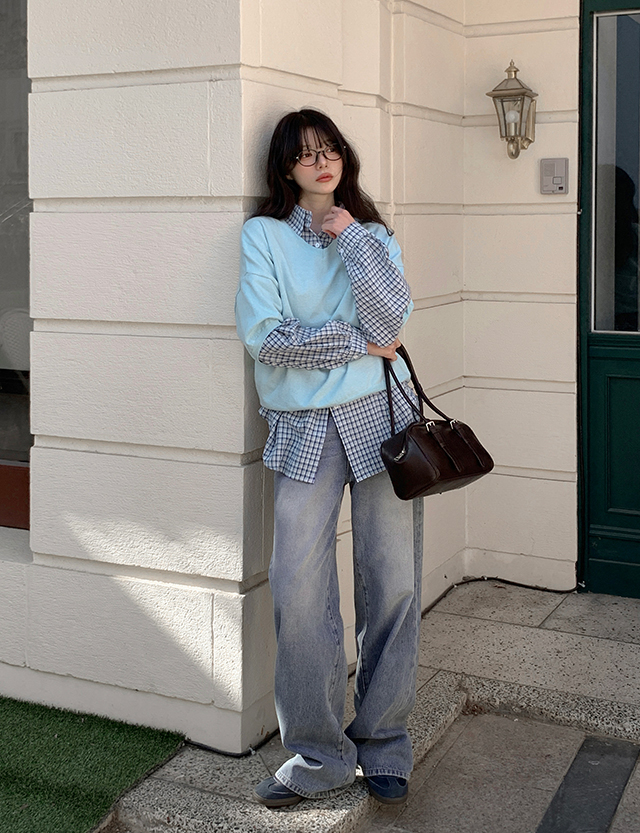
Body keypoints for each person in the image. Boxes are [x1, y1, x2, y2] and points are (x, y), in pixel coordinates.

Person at [235, 108, 424, 809]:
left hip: (381, 419)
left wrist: (351, 238)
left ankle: (384, 743)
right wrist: (352, 343)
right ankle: (318, 755)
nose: (322, 162)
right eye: (305, 153)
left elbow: (390, 325)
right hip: (305, 426)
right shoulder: (263, 236)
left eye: (331, 149)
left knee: (393, 583)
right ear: (285, 168)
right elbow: (267, 338)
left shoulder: (373, 235)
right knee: (297, 587)